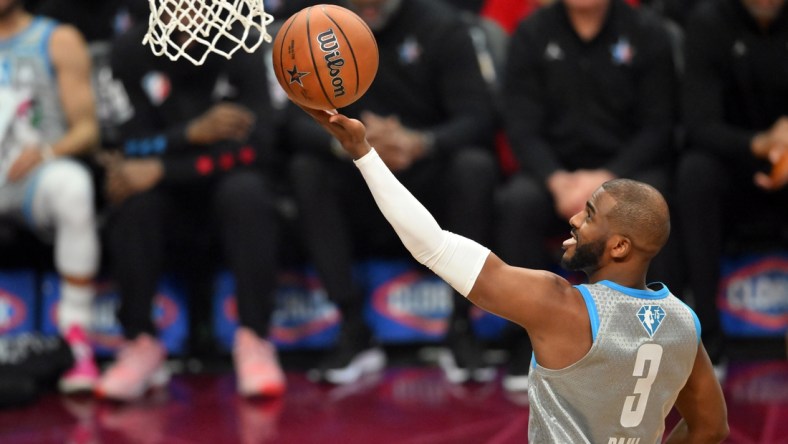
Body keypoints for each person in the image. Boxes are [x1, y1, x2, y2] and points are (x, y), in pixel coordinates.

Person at [299, 104, 729, 443]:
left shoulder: (559, 306)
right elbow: (711, 429)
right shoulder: (683, 323)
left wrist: (363, 154)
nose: (575, 218)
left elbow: (431, 244)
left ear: (619, 246)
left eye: (591, 214)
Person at [286, 0, 499, 385]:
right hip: (355, 174)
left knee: (474, 167)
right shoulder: (313, 29)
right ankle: (352, 326)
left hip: (423, 179)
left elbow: (479, 117)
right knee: (305, 169)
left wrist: (421, 142)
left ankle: (461, 325)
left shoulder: (441, 26)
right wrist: (350, 144)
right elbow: (290, 124)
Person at [94, 17, 285, 401]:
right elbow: (126, 147)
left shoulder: (245, 45)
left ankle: (255, 339)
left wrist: (167, 164)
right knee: (133, 198)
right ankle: (139, 342)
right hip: (166, 199)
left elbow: (257, 148)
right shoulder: (129, 51)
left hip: (224, 191)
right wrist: (191, 134)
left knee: (246, 191)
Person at [496, 0, 681, 391]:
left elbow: (658, 125)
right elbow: (521, 125)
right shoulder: (531, 33)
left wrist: (607, 182)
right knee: (516, 203)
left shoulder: (647, 32)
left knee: (658, 199)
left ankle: (651, 341)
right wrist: (556, 179)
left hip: (624, 171)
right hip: (555, 176)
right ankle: (527, 344)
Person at [676, 0, 788, 374]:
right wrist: (763, 144)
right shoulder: (708, 23)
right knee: (694, 173)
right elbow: (699, 124)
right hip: (732, 164)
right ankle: (708, 340)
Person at [0, 0, 101, 394]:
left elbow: (88, 131)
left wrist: (45, 153)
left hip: (34, 174)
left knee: (73, 185)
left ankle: (77, 342)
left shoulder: (57, 38)